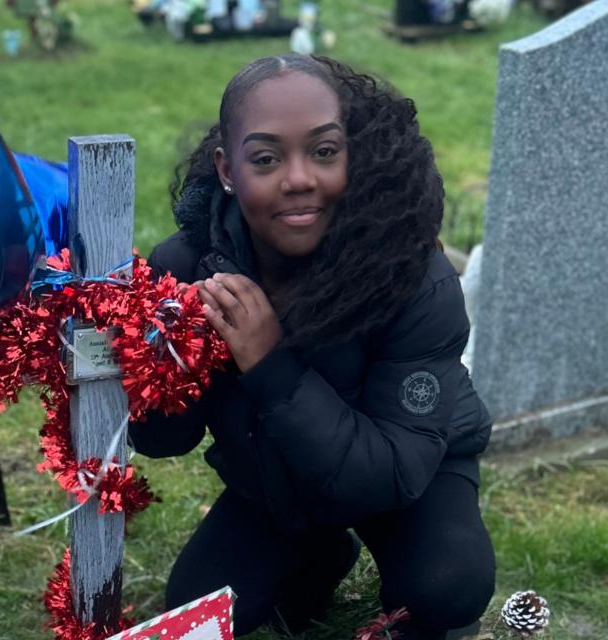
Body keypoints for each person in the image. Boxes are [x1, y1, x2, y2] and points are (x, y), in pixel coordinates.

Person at [128, 54, 495, 639]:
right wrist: (159, 358)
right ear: (227, 169)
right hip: (274, 482)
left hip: (410, 477)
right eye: (266, 158)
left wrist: (269, 362)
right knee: (201, 612)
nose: (298, 178)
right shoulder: (187, 266)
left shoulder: (412, 276)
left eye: (324, 151)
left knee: (446, 585)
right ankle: (320, 552)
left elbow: (391, 474)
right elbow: (164, 441)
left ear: (353, 153)